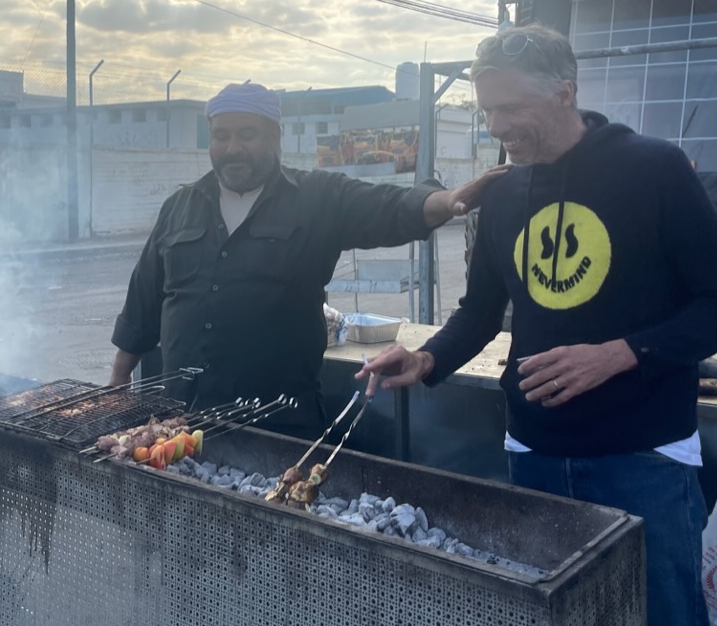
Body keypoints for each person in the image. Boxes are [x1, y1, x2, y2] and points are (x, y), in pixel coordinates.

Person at [356, 23, 717, 626]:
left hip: (643, 453)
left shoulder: (652, 168)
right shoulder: (507, 193)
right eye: (487, 110)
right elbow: (480, 312)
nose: (496, 126)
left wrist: (620, 352)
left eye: (511, 109)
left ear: (566, 92)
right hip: (533, 451)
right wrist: (427, 358)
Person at [109, 81, 510, 439]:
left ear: (274, 137)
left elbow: (385, 206)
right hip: (181, 424)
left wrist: (446, 200)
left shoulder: (316, 197)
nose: (233, 148)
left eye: (247, 135)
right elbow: (143, 299)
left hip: (280, 425)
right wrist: (118, 378)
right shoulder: (180, 206)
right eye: (221, 136)